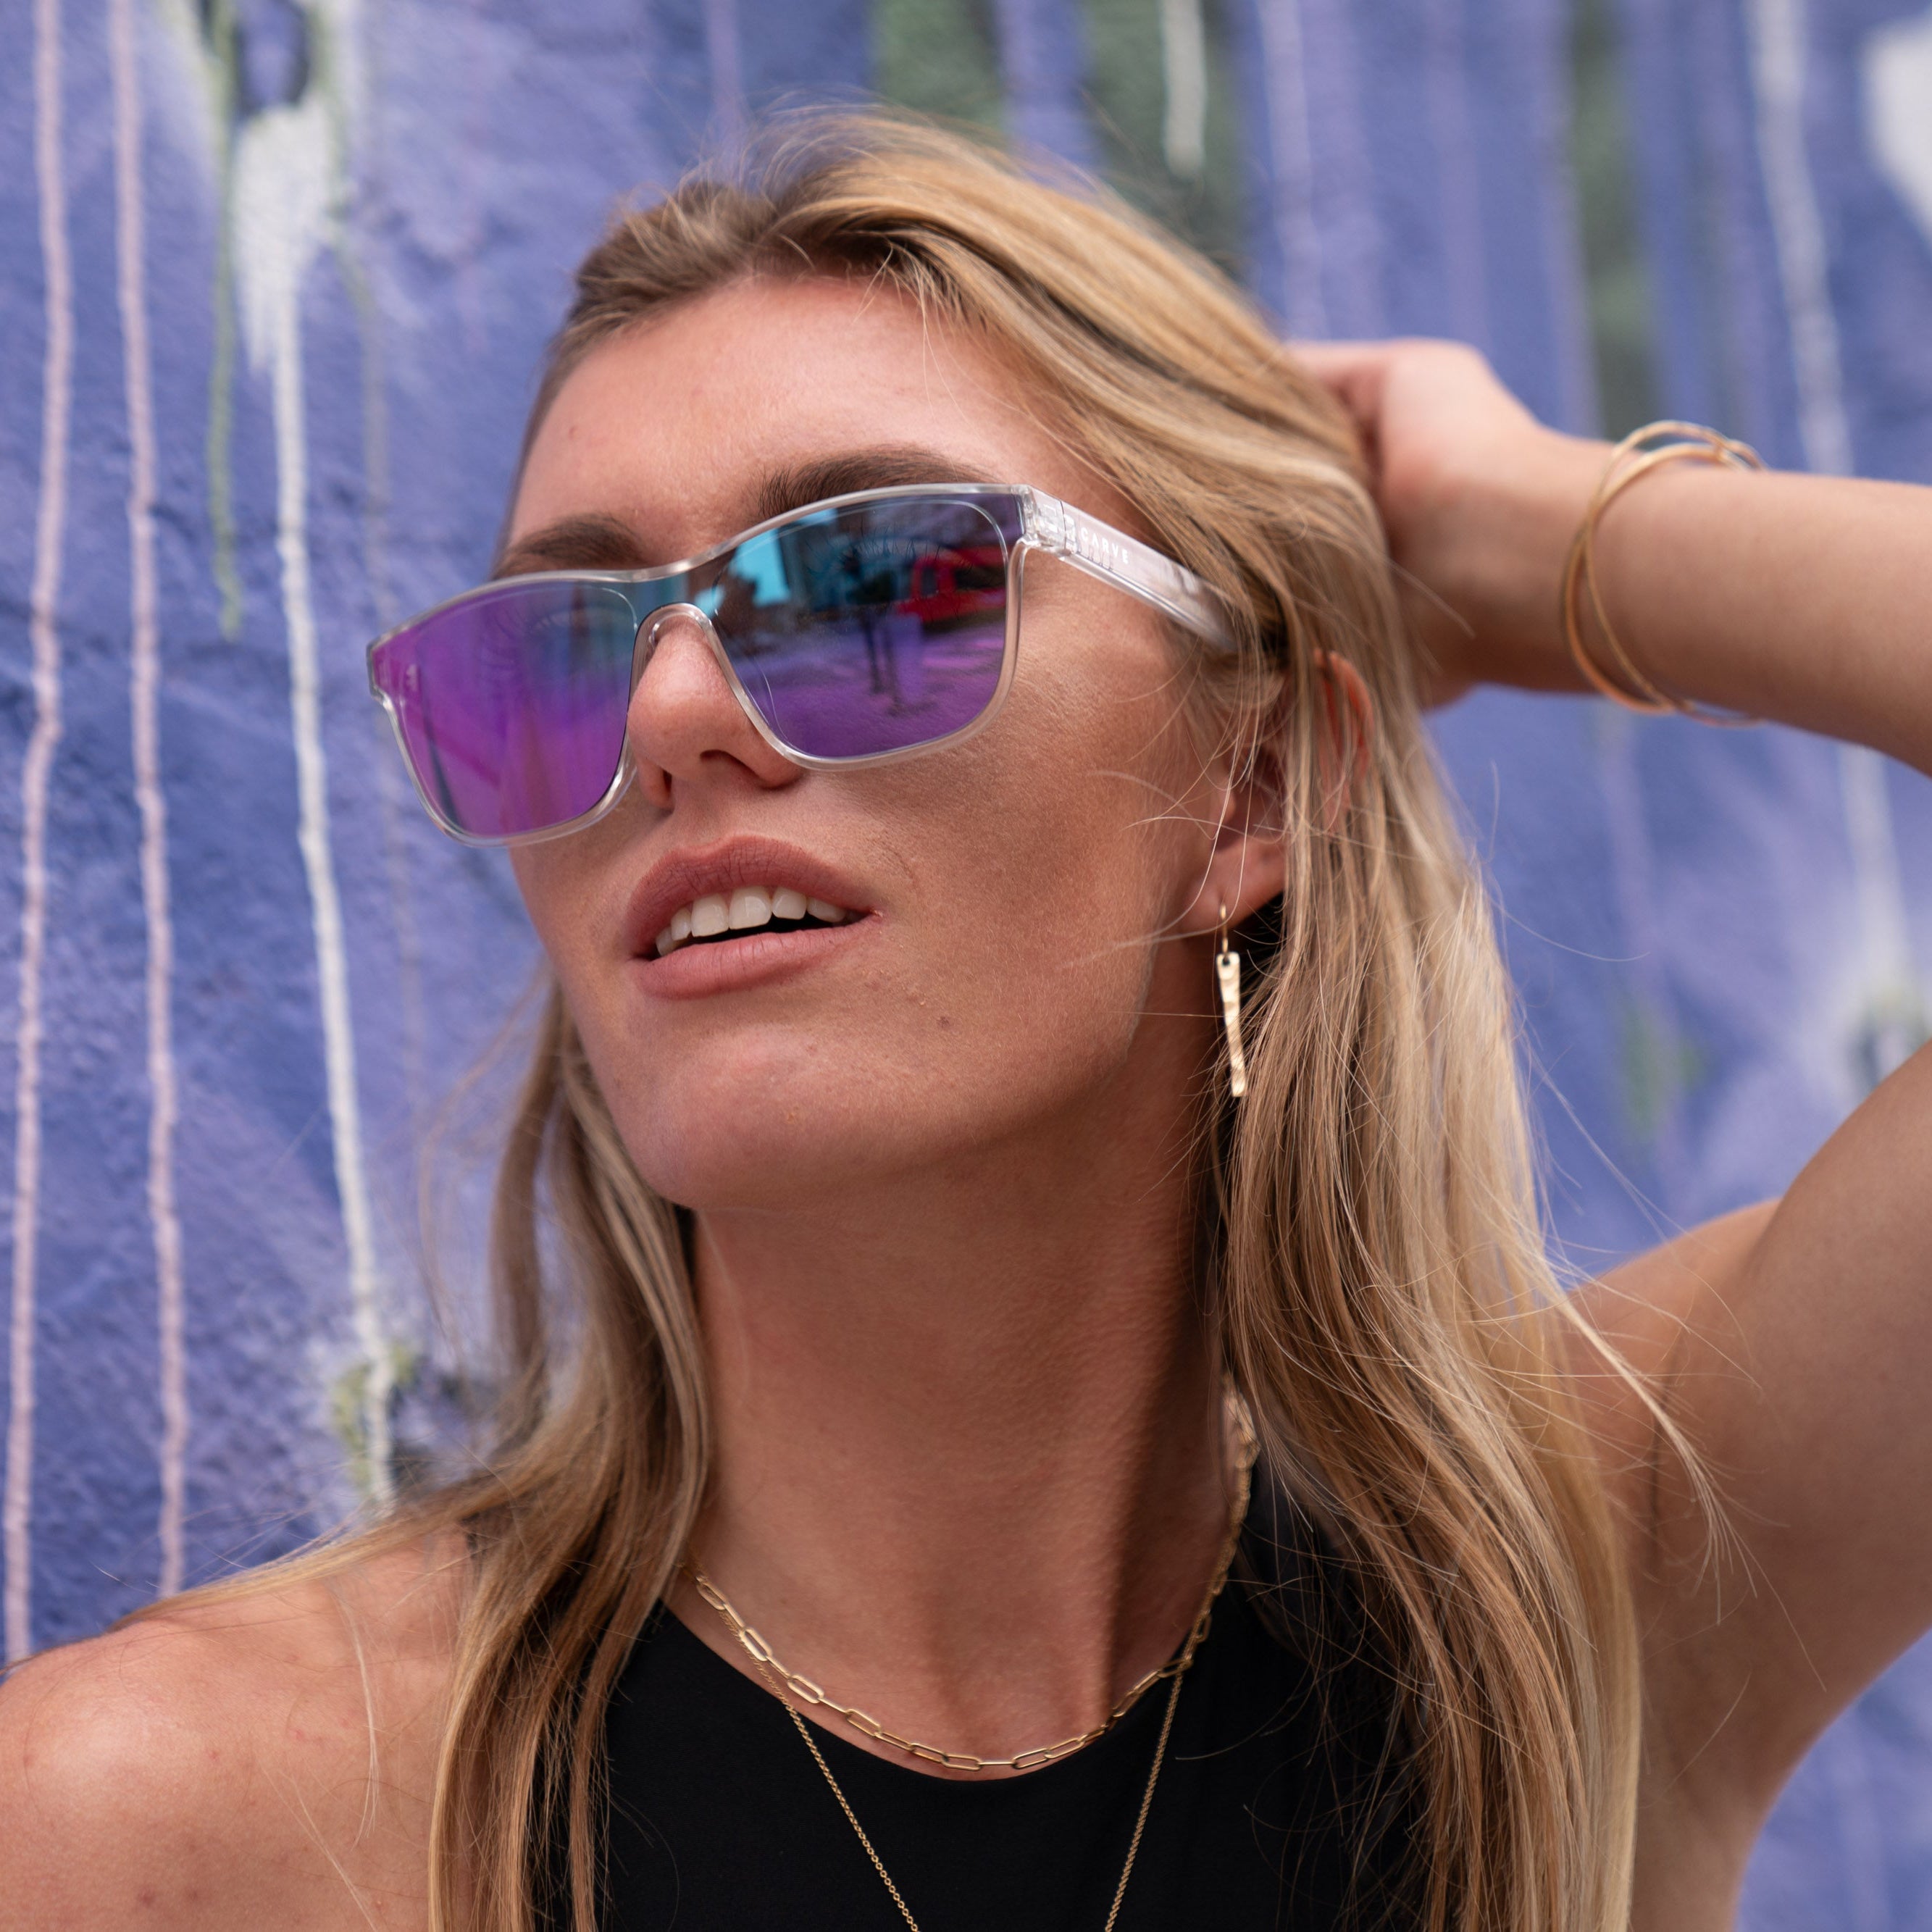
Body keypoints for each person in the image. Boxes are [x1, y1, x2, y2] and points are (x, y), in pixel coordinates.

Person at [3, 111, 1929, 1932]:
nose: (667, 718)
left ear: (1246, 788)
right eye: (557, 649)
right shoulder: (189, 1819)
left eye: (870, 586)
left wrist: (1526, 529)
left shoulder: (1578, 1599)